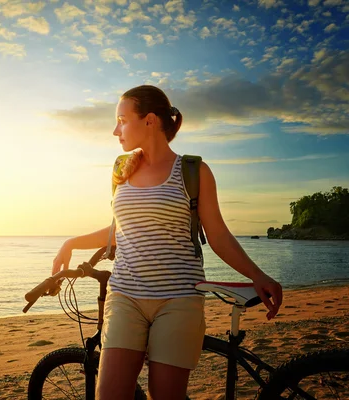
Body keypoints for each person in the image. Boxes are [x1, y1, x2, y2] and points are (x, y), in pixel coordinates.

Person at [51, 85, 283, 400]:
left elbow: (217, 235)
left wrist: (258, 275)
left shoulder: (193, 171)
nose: (115, 130)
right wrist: (71, 243)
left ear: (149, 121)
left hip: (178, 299)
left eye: (122, 119)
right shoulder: (121, 168)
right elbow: (119, 228)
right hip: (125, 296)